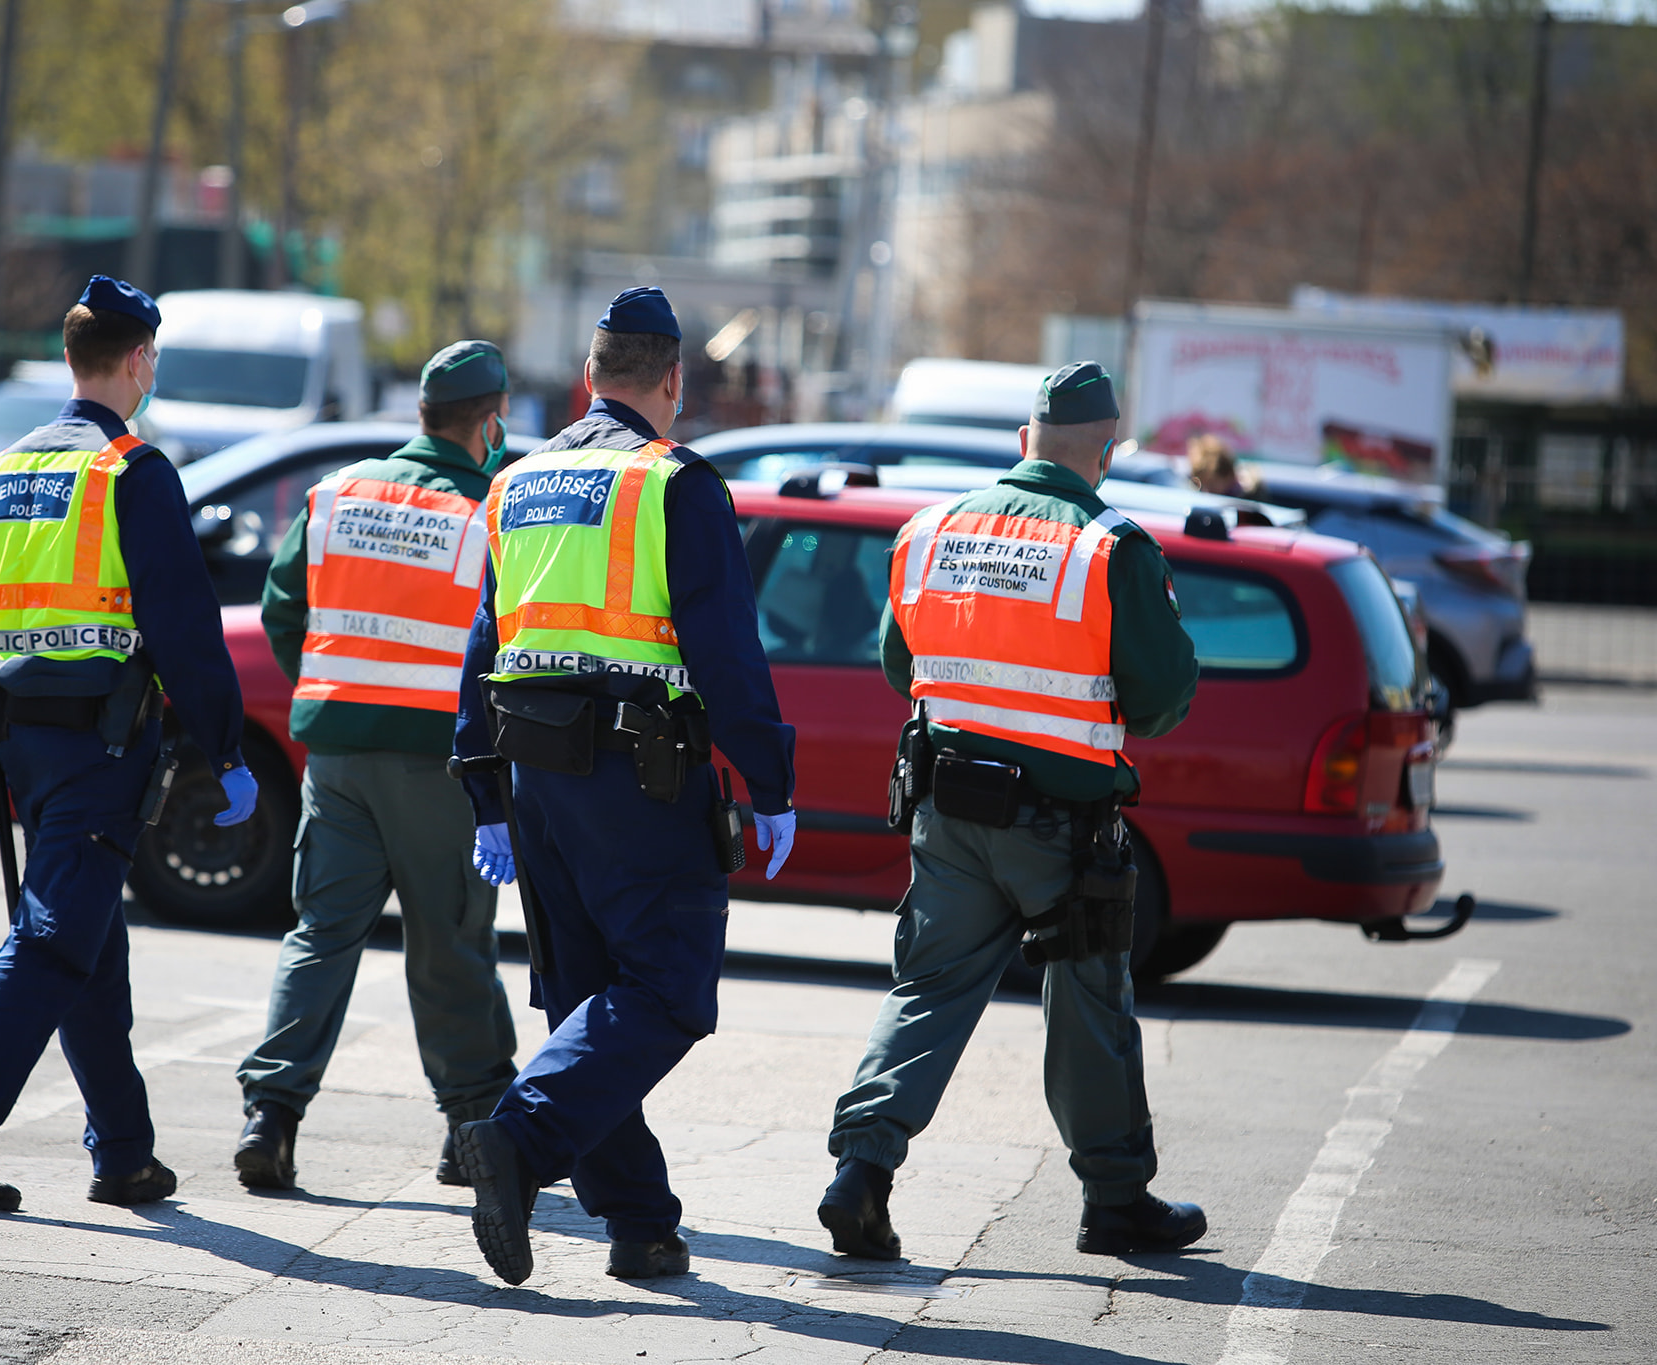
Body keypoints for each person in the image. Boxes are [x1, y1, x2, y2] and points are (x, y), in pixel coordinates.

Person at [447, 286, 798, 1285]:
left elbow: (484, 644)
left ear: (591, 375)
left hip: (536, 780)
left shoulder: (517, 481)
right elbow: (726, 652)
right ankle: (517, 1136)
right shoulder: (671, 483)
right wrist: (768, 782)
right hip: (639, 782)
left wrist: (483, 789)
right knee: (667, 990)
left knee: (589, 1002)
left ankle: (638, 1224)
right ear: (673, 380)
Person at [818, 361, 1206, 1261]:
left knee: (928, 992)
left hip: (949, 810)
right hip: (1061, 828)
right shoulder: (1112, 547)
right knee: (1088, 1005)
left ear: (1022, 441)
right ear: (1105, 450)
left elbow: (898, 665)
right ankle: (1115, 1202)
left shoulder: (931, 529)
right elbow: (1158, 699)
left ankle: (860, 1173)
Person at [0, 276, 255, 1213]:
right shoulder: (133, 470)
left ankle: (125, 1154)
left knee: (90, 943)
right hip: (103, 745)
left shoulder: (2, 470)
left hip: (19, 744)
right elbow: (183, 629)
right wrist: (226, 748)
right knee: (55, 940)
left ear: (69, 357)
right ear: (139, 360)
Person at [230, 341, 521, 1191]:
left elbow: (283, 611)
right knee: (451, 943)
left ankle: (271, 1117)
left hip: (340, 761)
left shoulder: (337, 493)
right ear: (490, 421)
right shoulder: (487, 514)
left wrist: (336, 692)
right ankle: (472, 1127)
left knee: (320, 935)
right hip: (441, 765)